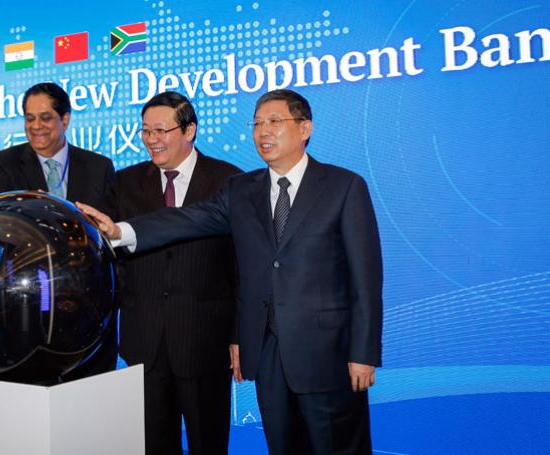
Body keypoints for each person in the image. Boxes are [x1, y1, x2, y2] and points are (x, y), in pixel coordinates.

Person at [78, 89, 383, 454]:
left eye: (274, 122)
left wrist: (363, 352)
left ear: (305, 129)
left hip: (328, 353)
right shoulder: (242, 190)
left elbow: (365, 279)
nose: (262, 132)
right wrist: (121, 232)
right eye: (256, 124)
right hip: (270, 354)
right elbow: (187, 220)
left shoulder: (343, 186)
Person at [94, 91, 240, 455]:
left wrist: (240, 336)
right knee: (152, 444)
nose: (151, 140)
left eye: (161, 130)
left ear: (189, 130)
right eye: (145, 131)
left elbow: (242, 267)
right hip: (144, 341)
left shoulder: (229, 180)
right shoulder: (124, 182)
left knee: (209, 443)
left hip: (205, 341)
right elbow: (105, 254)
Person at [0, 81, 118, 378]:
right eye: (29, 118)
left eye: (45, 117)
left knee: (86, 404)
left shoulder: (99, 167)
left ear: (65, 119)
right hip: (23, 304)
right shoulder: (5, 164)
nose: (36, 126)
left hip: (87, 305)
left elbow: (108, 230)